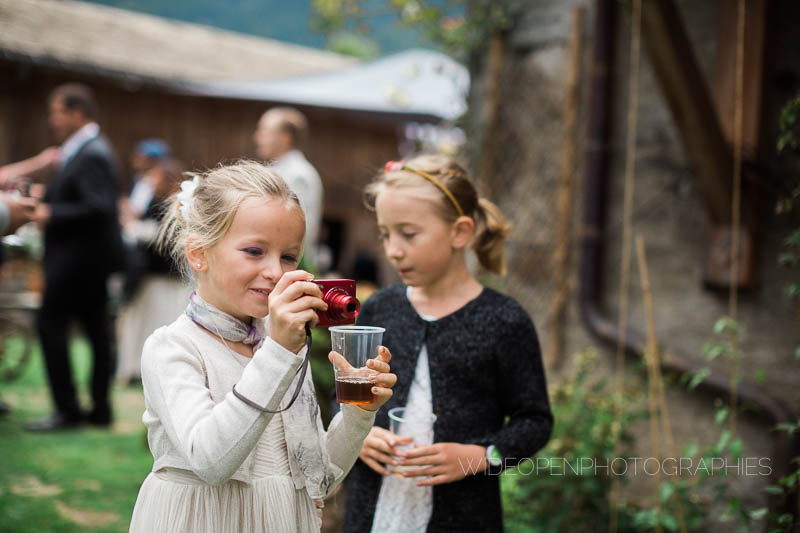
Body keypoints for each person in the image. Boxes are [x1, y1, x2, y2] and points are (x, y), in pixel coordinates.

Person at [129, 161, 397, 532]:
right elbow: (209, 460)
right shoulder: (173, 347)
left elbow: (320, 479)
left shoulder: (284, 346)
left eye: (288, 256)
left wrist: (358, 411)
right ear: (199, 254)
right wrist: (279, 352)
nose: (275, 271)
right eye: (254, 251)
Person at [342, 154, 553, 532]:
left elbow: (534, 421)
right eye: (386, 234)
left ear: (459, 232)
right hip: (372, 513)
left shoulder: (504, 320)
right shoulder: (379, 309)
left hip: (464, 516)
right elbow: (345, 395)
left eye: (408, 234)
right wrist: (358, 434)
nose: (393, 250)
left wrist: (478, 456)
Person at [25, 83, 124, 431]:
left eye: (57, 112)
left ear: (77, 113)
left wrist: (49, 212)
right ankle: (99, 410)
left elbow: (98, 207)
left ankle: (67, 410)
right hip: (87, 262)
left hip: (77, 262)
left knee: (50, 324)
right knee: (97, 332)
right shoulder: (85, 149)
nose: (52, 119)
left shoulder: (93, 152)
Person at [116, 157, 190, 384]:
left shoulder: (170, 204)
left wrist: (133, 227)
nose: (150, 180)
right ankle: (137, 368)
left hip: (162, 276)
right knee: (142, 324)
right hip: (150, 275)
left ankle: (152, 369)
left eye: (155, 176)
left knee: (157, 323)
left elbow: (161, 236)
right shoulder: (159, 202)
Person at [253, 107, 323, 270]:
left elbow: (298, 227)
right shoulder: (280, 170)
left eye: (264, 132)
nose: (257, 138)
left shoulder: (298, 175)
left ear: (284, 138)